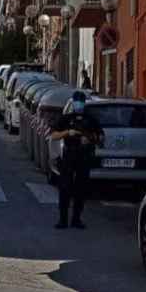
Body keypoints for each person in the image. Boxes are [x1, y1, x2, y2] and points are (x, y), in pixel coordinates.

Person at [50, 91, 104, 230]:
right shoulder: (66, 118)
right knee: (65, 188)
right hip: (69, 156)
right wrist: (68, 132)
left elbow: (101, 138)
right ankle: (63, 220)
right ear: (73, 102)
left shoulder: (91, 120)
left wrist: (90, 138)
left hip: (84, 157)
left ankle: (76, 219)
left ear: (84, 103)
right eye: (77, 101)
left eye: (81, 101)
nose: (78, 103)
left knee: (81, 189)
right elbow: (54, 135)